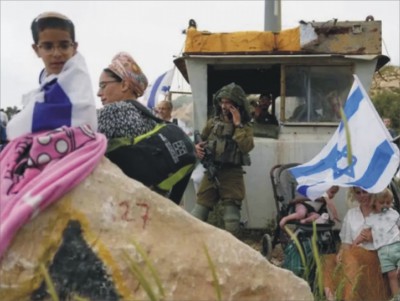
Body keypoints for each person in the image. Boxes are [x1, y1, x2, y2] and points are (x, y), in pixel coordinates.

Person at [6, 11, 97, 140]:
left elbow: (86, 119)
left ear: (74, 47)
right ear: (36, 50)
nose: (56, 53)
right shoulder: (43, 88)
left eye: (64, 46)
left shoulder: (80, 85)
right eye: (48, 47)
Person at [190, 82, 254, 235]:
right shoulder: (213, 123)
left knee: (231, 219)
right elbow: (200, 140)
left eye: (228, 103)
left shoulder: (245, 126)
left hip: (232, 173)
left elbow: (246, 147)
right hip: (212, 171)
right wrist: (196, 149)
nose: (224, 106)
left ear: (237, 105)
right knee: (198, 213)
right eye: (222, 102)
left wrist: (237, 125)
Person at [323, 186, 391, 301]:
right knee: (327, 261)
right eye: (358, 193)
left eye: (365, 191)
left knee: (352, 256)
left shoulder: (384, 212)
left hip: (376, 257)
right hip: (352, 257)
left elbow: (394, 240)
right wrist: (341, 253)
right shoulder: (351, 214)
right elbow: (346, 243)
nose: (362, 195)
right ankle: (332, 298)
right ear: (353, 194)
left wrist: (374, 238)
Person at [353, 188, 400, 297]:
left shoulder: (393, 214)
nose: (385, 205)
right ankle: (397, 297)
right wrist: (356, 242)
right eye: (381, 203)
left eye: (388, 203)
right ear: (374, 202)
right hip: (382, 252)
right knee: (391, 275)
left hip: (396, 245)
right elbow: (364, 233)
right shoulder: (371, 218)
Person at [97, 52, 155, 140]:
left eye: (103, 86)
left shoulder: (112, 113)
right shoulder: (150, 116)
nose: (98, 93)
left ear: (124, 85)